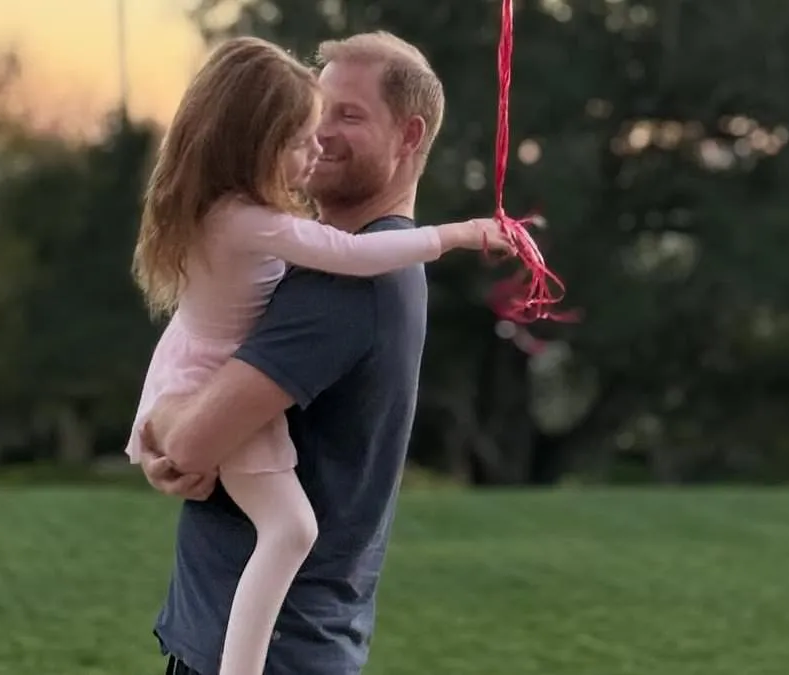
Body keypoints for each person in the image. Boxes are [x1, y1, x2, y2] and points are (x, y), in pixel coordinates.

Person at [127, 35, 507, 675]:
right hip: (251, 640)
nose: (320, 131)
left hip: (275, 651)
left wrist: (161, 426)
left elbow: (192, 442)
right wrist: (162, 440)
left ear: (410, 135)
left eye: (348, 115)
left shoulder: (347, 283)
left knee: (289, 528)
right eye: (318, 110)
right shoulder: (306, 253)